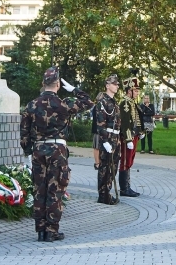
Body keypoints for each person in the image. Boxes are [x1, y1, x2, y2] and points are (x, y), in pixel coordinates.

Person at [20, 67, 94, 242]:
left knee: (40, 190)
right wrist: (74, 89)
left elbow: (24, 132)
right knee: (55, 190)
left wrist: (28, 151)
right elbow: (88, 102)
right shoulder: (64, 104)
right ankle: (51, 230)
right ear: (58, 84)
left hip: (38, 151)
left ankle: (41, 231)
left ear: (42, 84)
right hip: (57, 151)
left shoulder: (31, 105)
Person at [95, 74, 122, 204]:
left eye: (117, 84)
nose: (117, 86)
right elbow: (100, 123)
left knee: (113, 167)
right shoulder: (102, 102)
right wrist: (105, 141)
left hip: (115, 138)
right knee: (105, 167)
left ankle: (108, 192)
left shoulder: (114, 102)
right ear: (107, 85)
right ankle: (103, 195)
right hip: (108, 139)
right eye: (114, 84)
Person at [119, 76, 143, 196]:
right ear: (129, 91)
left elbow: (135, 120)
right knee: (125, 161)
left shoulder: (132, 102)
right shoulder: (125, 102)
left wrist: (140, 132)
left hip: (134, 135)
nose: (137, 93)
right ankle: (124, 188)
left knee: (130, 160)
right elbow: (125, 123)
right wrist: (128, 139)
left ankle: (127, 186)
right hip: (127, 137)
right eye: (136, 90)